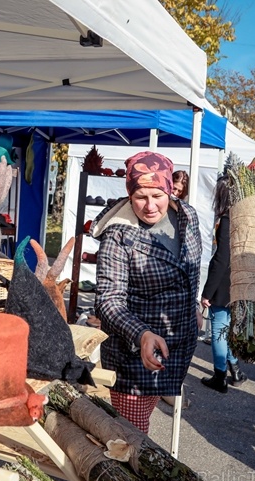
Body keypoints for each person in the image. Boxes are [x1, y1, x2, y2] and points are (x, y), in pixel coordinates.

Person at [92, 151, 203, 433]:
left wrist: (193, 306)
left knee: (146, 419)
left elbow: (191, 265)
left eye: (158, 195)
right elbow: (108, 301)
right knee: (132, 434)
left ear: (169, 190)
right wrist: (141, 334)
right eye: (141, 196)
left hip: (178, 343)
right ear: (130, 194)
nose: (150, 206)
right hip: (135, 352)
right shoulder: (118, 234)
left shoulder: (187, 216)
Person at [199, 174, 247, 393]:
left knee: (219, 328)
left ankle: (220, 376)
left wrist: (206, 292)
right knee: (226, 327)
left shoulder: (228, 218)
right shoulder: (243, 216)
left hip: (225, 281)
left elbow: (221, 258)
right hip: (237, 279)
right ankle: (235, 370)